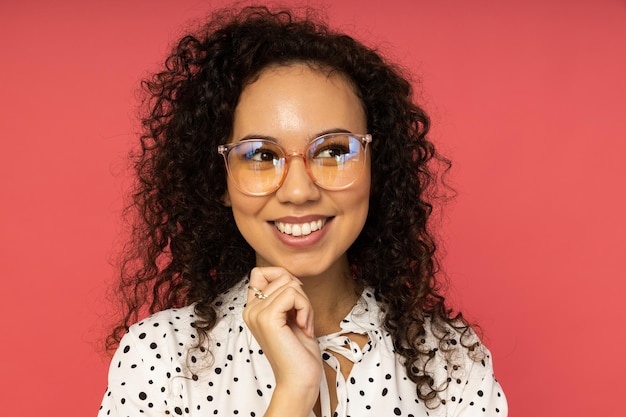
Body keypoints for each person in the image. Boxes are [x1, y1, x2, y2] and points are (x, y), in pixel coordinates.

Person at [98, 5, 507, 417]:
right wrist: (294, 390)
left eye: (333, 151)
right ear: (219, 179)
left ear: (375, 169)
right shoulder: (159, 357)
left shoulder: (450, 360)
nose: (298, 191)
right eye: (260, 154)